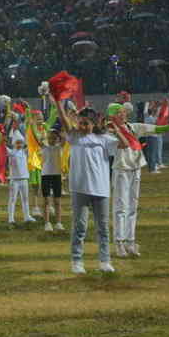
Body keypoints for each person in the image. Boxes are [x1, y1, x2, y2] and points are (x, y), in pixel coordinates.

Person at [54, 98, 125, 274]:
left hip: (101, 189)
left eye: (86, 123)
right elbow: (64, 120)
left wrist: (116, 129)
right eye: (80, 123)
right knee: (79, 227)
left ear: (93, 124)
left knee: (103, 228)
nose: (82, 126)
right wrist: (57, 103)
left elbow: (125, 144)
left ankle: (105, 261)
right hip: (80, 189)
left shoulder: (104, 139)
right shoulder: (74, 137)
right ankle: (77, 261)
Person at [106, 102, 169, 258]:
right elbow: (120, 146)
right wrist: (117, 130)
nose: (123, 113)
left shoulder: (132, 127)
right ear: (112, 115)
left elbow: (152, 129)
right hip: (121, 170)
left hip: (135, 168)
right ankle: (119, 242)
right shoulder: (109, 132)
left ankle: (130, 241)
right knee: (121, 207)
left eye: (123, 112)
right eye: (118, 112)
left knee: (133, 205)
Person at [6, 129, 34, 225]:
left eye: (21, 143)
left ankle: (27, 216)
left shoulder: (24, 152)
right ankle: (11, 218)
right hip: (14, 180)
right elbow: (3, 148)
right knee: (12, 199)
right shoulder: (11, 152)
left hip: (24, 179)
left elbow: (32, 144)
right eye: (17, 143)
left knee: (25, 198)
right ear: (13, 143)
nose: (19, 145)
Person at [40, 129, 65, 232]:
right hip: (45, 175)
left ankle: (58, 223)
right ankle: (47, 223)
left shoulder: (59, 147)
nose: (52, 140)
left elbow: (65, 139)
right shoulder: (43, 147)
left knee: (57, 201)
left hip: (57, 175)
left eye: (54, 138)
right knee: (46, 201)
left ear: (58, 139)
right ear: (47, 138)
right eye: (50, 138)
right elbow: (36, 138)